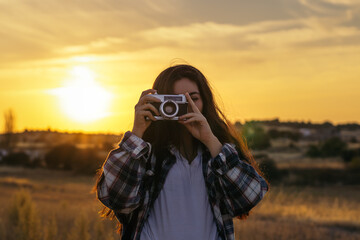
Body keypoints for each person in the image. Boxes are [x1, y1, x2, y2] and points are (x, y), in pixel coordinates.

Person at [94, 64, 269, 240]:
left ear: (205, 102)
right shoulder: (144, 155)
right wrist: (137, 134)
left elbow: (249, 198)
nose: (184, 107)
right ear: (158, 102)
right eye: (174, 100)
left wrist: (211, 140)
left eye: (193, 99)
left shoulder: (218, 154)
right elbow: (117, 200)